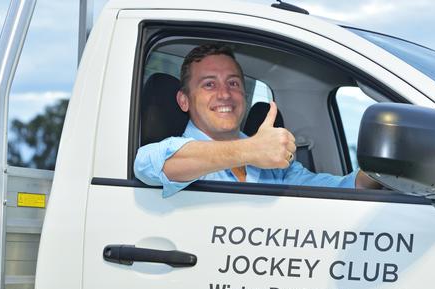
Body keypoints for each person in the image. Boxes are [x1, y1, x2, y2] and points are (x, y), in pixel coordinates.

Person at [134, 43, 379, 197]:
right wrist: (250, 149)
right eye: (209, 84)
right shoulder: (174, 153)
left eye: (233, 83)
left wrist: (380, 172)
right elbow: (148, 166)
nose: (224, 94)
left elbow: (336, 190)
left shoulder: (272, 163)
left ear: (244, 95)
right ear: (184, 101)